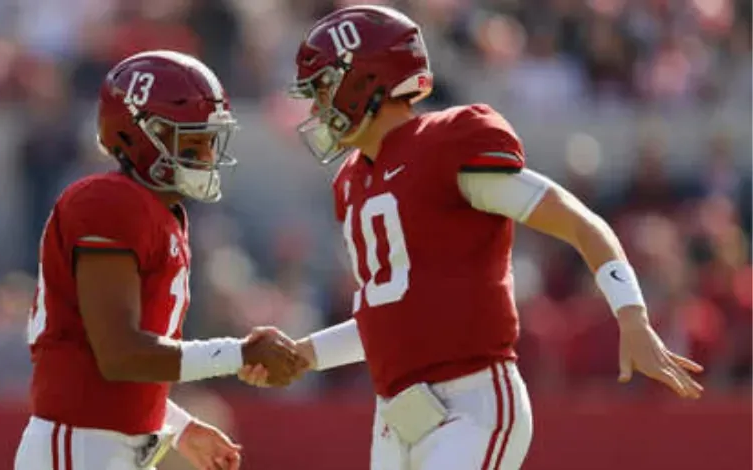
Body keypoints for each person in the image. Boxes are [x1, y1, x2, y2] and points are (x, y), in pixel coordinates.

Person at [238, 5, 704, 470]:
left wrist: (632, 316)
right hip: (393, 420)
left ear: (365, 81)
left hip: (473, 403)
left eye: (323, 89)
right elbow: (388, 317)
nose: (316, 107)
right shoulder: (351, 182)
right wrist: (305, 354)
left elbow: (581, 222)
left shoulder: (446, 144)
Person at [14, 50, 306, 470]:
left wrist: (177, 425)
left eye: (210, 139)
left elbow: (117, 368)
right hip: (78, 446)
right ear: (138, 136)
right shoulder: (108, 201)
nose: (207, 154)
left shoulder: (162, 213)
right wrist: (239, 353)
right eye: (192, 140)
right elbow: (118, 354)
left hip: (109, 447)